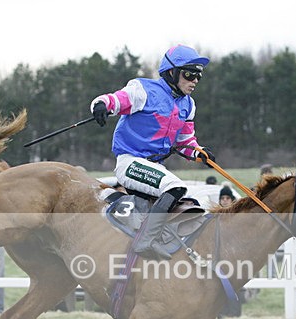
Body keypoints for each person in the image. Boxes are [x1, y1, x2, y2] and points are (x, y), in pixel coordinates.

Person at [89, 44, 214, 259]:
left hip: (154, 167)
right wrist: (100, 105)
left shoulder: (189, 105)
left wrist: (199, 152)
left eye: (198, 77)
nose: (194, 81)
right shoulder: (142, 90)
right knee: (175, 186)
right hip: (130, 163)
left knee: (190, 204)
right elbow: (115, 100)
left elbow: (186, 142)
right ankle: (145, 242)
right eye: (189, 74)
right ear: (172, 73)